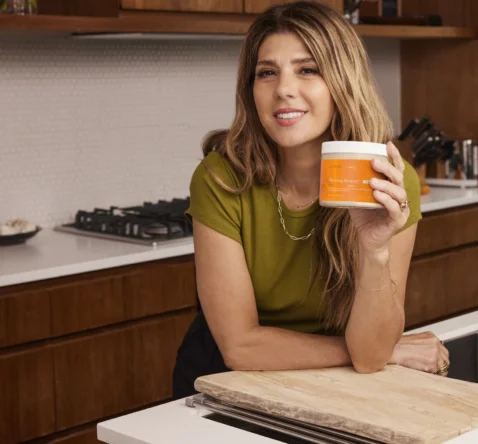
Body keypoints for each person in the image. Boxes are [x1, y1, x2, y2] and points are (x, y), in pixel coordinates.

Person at [172, 1, 449, 398]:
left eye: (308, 69)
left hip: (335, 386)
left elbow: (370, 357)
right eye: (267, 73)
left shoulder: (389, 180)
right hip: (223, 383)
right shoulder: (222, 178)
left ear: (343, 82)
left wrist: (374, 250)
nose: (283, 89)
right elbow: (240, 346)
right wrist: (378, 352)